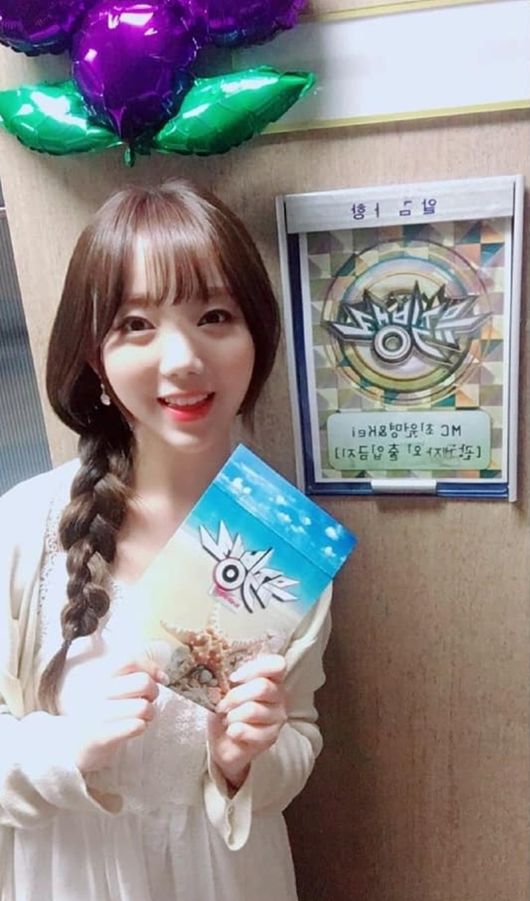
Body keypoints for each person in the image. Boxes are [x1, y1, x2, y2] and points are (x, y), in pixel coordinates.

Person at [0, 179, 332, 901]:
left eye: (214, 315)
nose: (182, 358)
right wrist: (68, 748)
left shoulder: (282, 537)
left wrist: (246, 759)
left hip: (228, 875)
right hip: (70, 874)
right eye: (137, 324)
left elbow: (300, 737)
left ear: (256, 336)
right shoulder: (23, 526)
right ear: (96, 357)